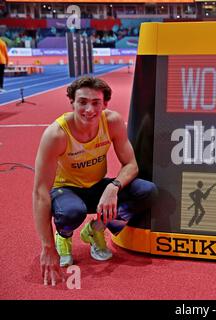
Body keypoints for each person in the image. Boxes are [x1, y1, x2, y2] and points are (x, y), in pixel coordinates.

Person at [32, 76, 157, 286]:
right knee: (72, 212)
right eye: (82, 102)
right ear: (71, 102)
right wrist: (47, 247)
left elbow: (131, 165)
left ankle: (95, 230)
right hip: (66, 190)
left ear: (105, 104)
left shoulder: (112, 122)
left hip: (97, 187)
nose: (89, 109)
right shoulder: (56, 135)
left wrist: (113, 186)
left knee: (147, 191)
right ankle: (62, 236)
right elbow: (40, 192)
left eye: (96, 102)